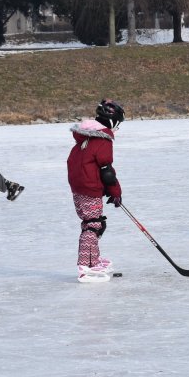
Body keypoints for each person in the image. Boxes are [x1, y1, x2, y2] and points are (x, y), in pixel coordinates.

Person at [67, 99, 125, 283]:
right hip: (88, 187)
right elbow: (106, 171)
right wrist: (115, 191)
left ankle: (93, 261)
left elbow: (90, 164)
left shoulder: (86, 136)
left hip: (79, 186)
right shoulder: (103, 138)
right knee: (93, 225)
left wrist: (106, 187)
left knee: (92, 222)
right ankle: (85, 267)